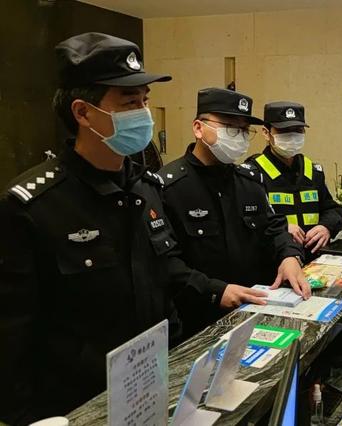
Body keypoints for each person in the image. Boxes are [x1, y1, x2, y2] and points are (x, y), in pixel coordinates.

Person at [0, 32, 182, 424]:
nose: (145, 114)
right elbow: (13, 334)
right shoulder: (32, 207)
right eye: (129, 103)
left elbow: (160, 284)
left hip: (147, 393)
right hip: (73, 407)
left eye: (145, 100)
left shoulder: (146, 188)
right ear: (83, 113)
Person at [159, 88, 309, 339]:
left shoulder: (249, 181)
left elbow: (273, 227)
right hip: (197, 321)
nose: (239, 137)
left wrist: (289, 255)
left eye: (244, 130)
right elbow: (166, 264)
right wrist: (216, 291)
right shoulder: (168, 187)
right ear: (198, 128)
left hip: (253, 314)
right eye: (230, 127)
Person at [247, 101, 342, 260]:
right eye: (284, 130)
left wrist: (326, 227)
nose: (292, 136)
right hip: (274, 261)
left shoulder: (312, 170)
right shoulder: (253, 172)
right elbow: (248, 221)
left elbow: (332, 209)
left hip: (313, 260)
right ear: (266, 132)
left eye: (298, 130)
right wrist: (282, 227)